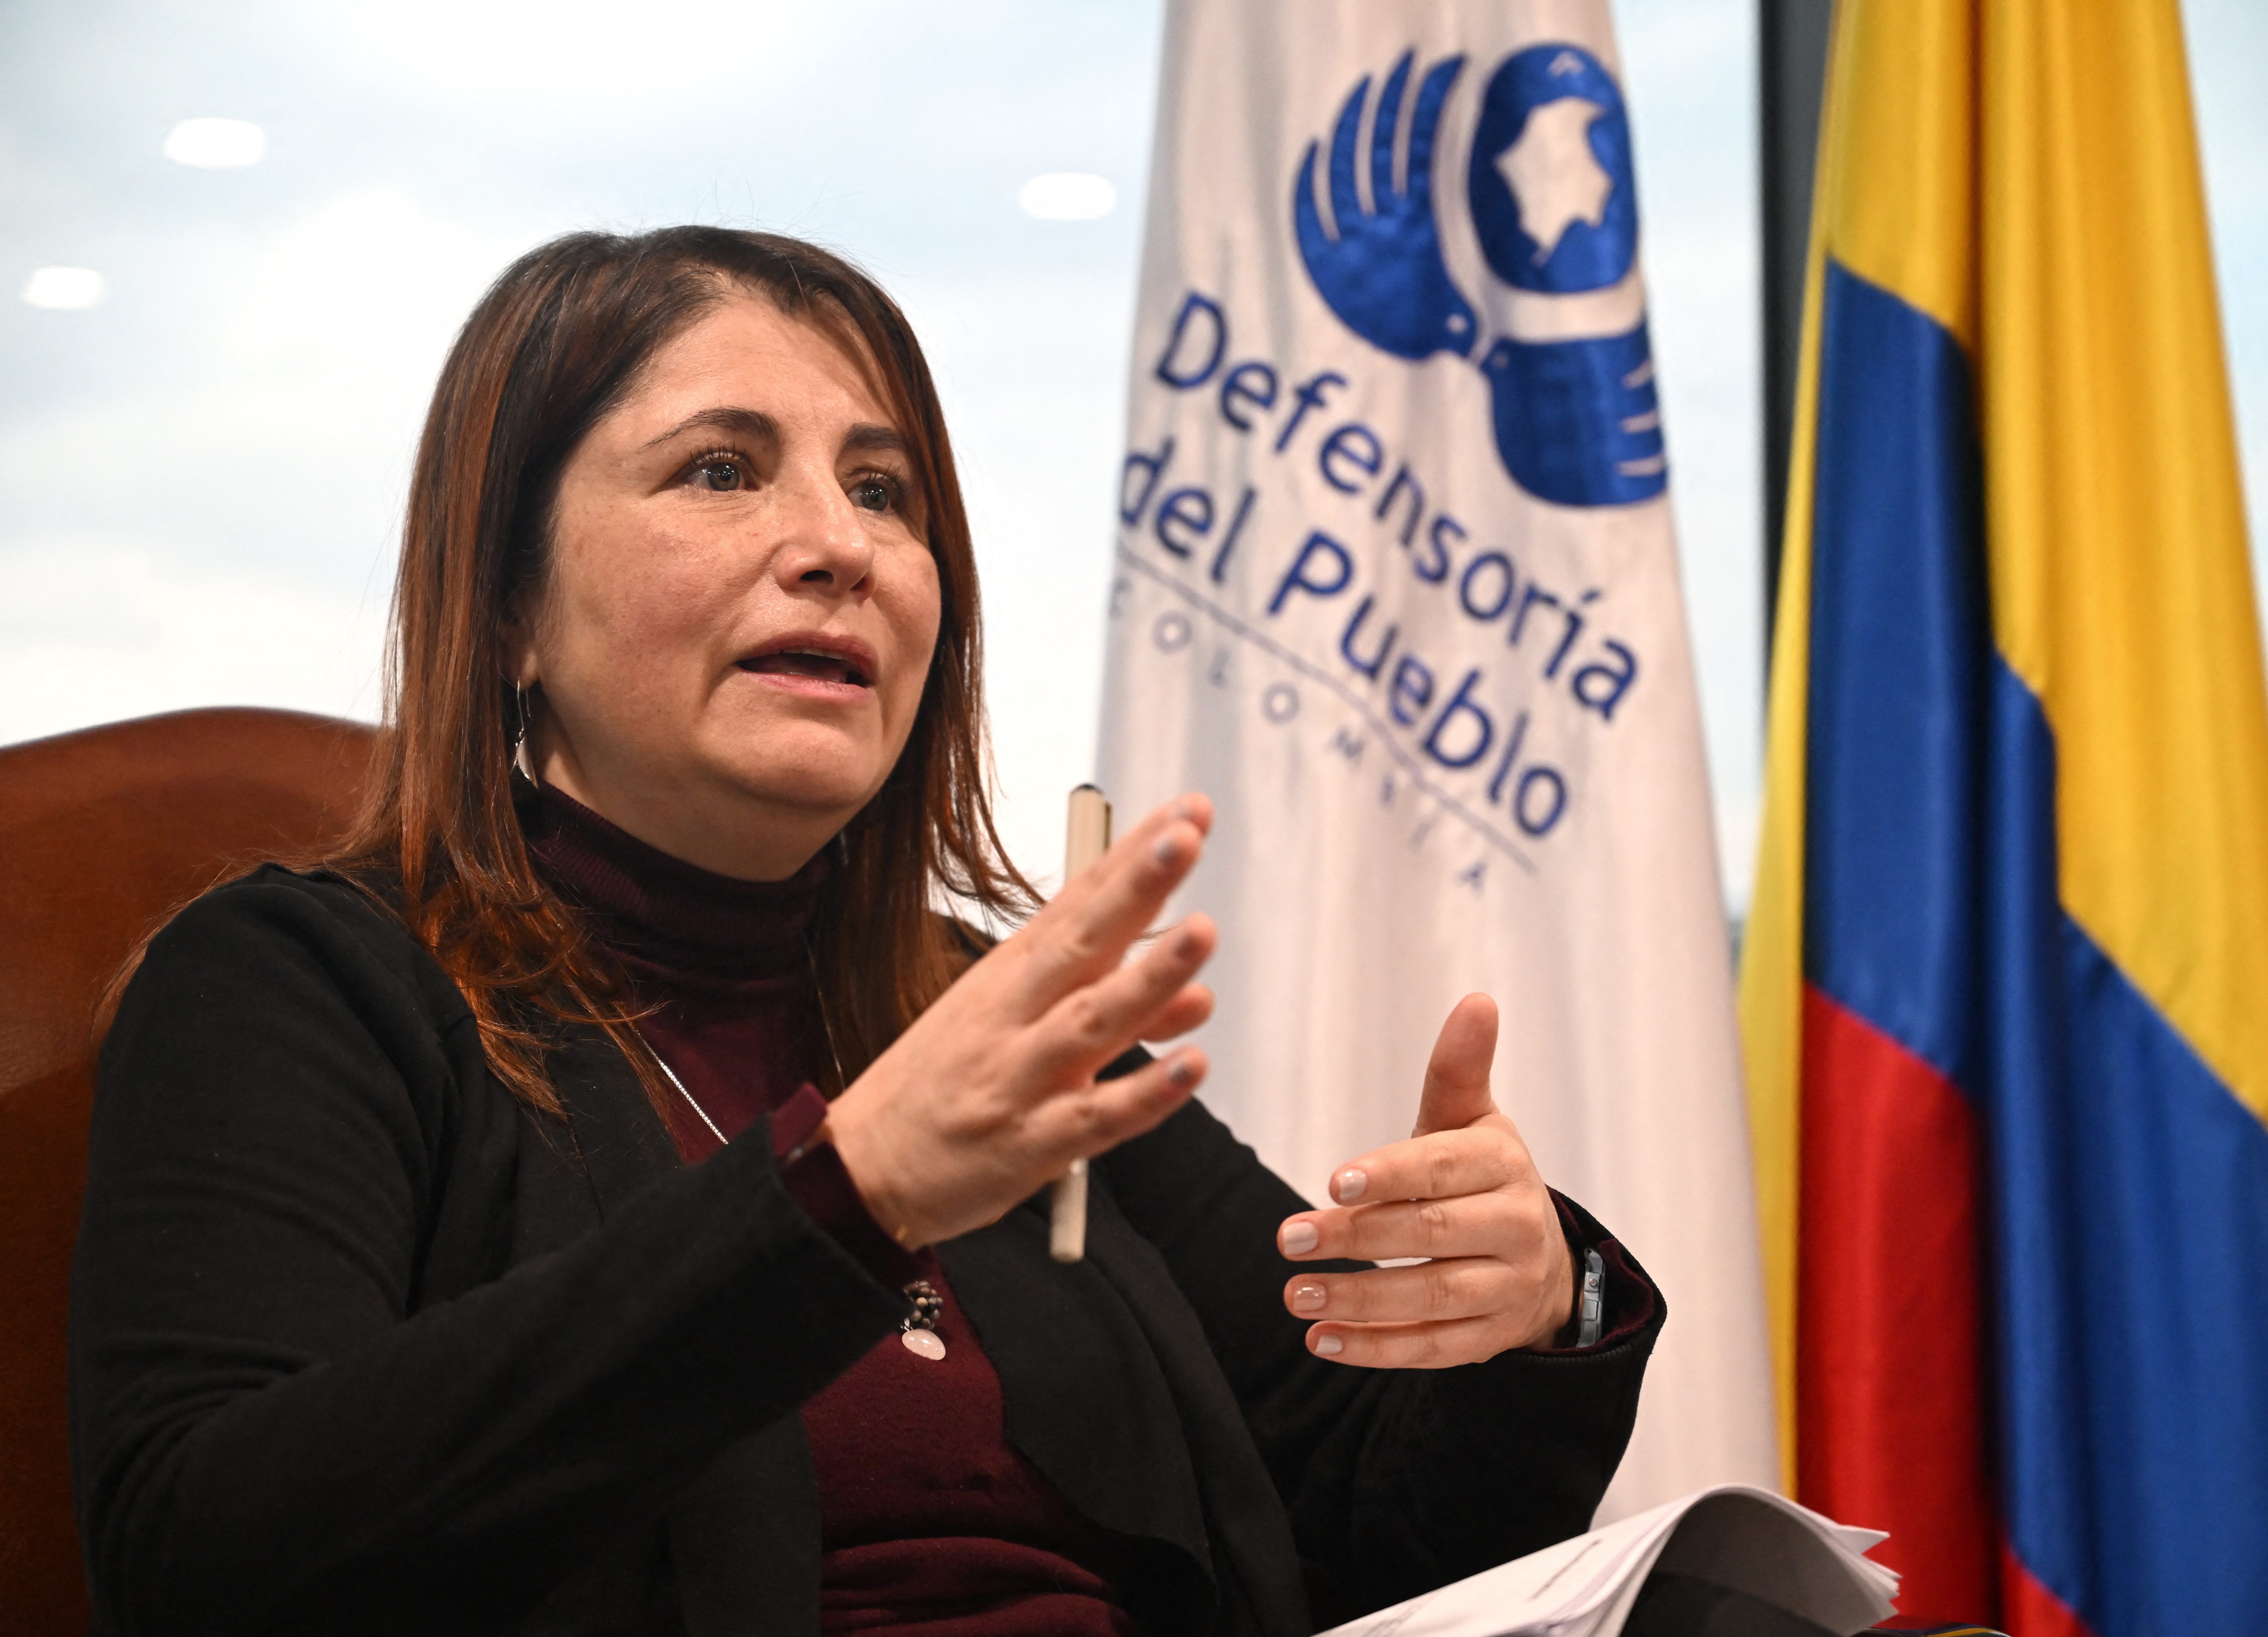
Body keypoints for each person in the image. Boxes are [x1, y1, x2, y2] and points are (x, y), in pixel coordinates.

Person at [69, 226, 1662, 1637]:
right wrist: (841, 1197)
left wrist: (1532, 1310)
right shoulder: (305, 985)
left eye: (884, 491)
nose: (840, 544)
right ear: (507, 612)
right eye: (721, 469)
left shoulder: (989, 1014)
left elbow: (1374, 1539)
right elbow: (206, 1561)